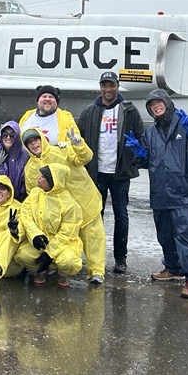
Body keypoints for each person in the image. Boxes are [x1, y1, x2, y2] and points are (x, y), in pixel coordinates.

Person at [125, 88, 188, 299]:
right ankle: (174, 268)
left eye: (159, 103)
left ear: (167, 103)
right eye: (152, 105)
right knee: (165, 234)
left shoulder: (186, 122)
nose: (156, 107)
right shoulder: (150, 133)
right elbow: (149, 161)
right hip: (162, 192)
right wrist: (139, 154)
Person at [77, 70, 145, 275]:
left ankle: (120, 259)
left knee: (121, 216)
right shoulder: (89, 111)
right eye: (105, 85)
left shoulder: (130, 111)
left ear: (117, 87)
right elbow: (80, 140)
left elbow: (140, 138)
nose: (108, 89)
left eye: (112, 85)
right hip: (96, 173)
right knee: (95, 217)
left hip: (119, 173)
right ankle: (94, 259)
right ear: (100, 87)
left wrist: (134, 157)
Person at [21, 128, 106, 285]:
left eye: (35, 139)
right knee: (62, 239)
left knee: (93, 238)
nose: (34, 144)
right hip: (58, 212)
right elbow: (33, 193)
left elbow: (85, 158)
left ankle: (96, 271)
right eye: (29, 142)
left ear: (42, 138)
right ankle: (56, 266)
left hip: (84, 202)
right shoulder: (30, 168)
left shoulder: (62, 150)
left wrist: (77, 143)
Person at [15, 164, 83, 287]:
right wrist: (35, 235)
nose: (39, 178)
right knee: (23, 255)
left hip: (62, 245)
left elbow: (67, 233)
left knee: (68, 262)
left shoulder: (69, 204)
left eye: (43, 177)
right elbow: (25, 214)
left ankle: (62, 273)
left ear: (53, 181)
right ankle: (41, 270)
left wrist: (49, 253)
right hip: (41, 241)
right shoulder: (35, 193)